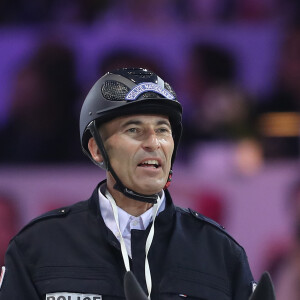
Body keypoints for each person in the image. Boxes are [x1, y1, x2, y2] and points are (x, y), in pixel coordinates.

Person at [0, 68, 254, 299]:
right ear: (97, 149)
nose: (153, 143)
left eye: (163, 130)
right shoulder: (37, 246)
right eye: (134, 130)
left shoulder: (220, 251)